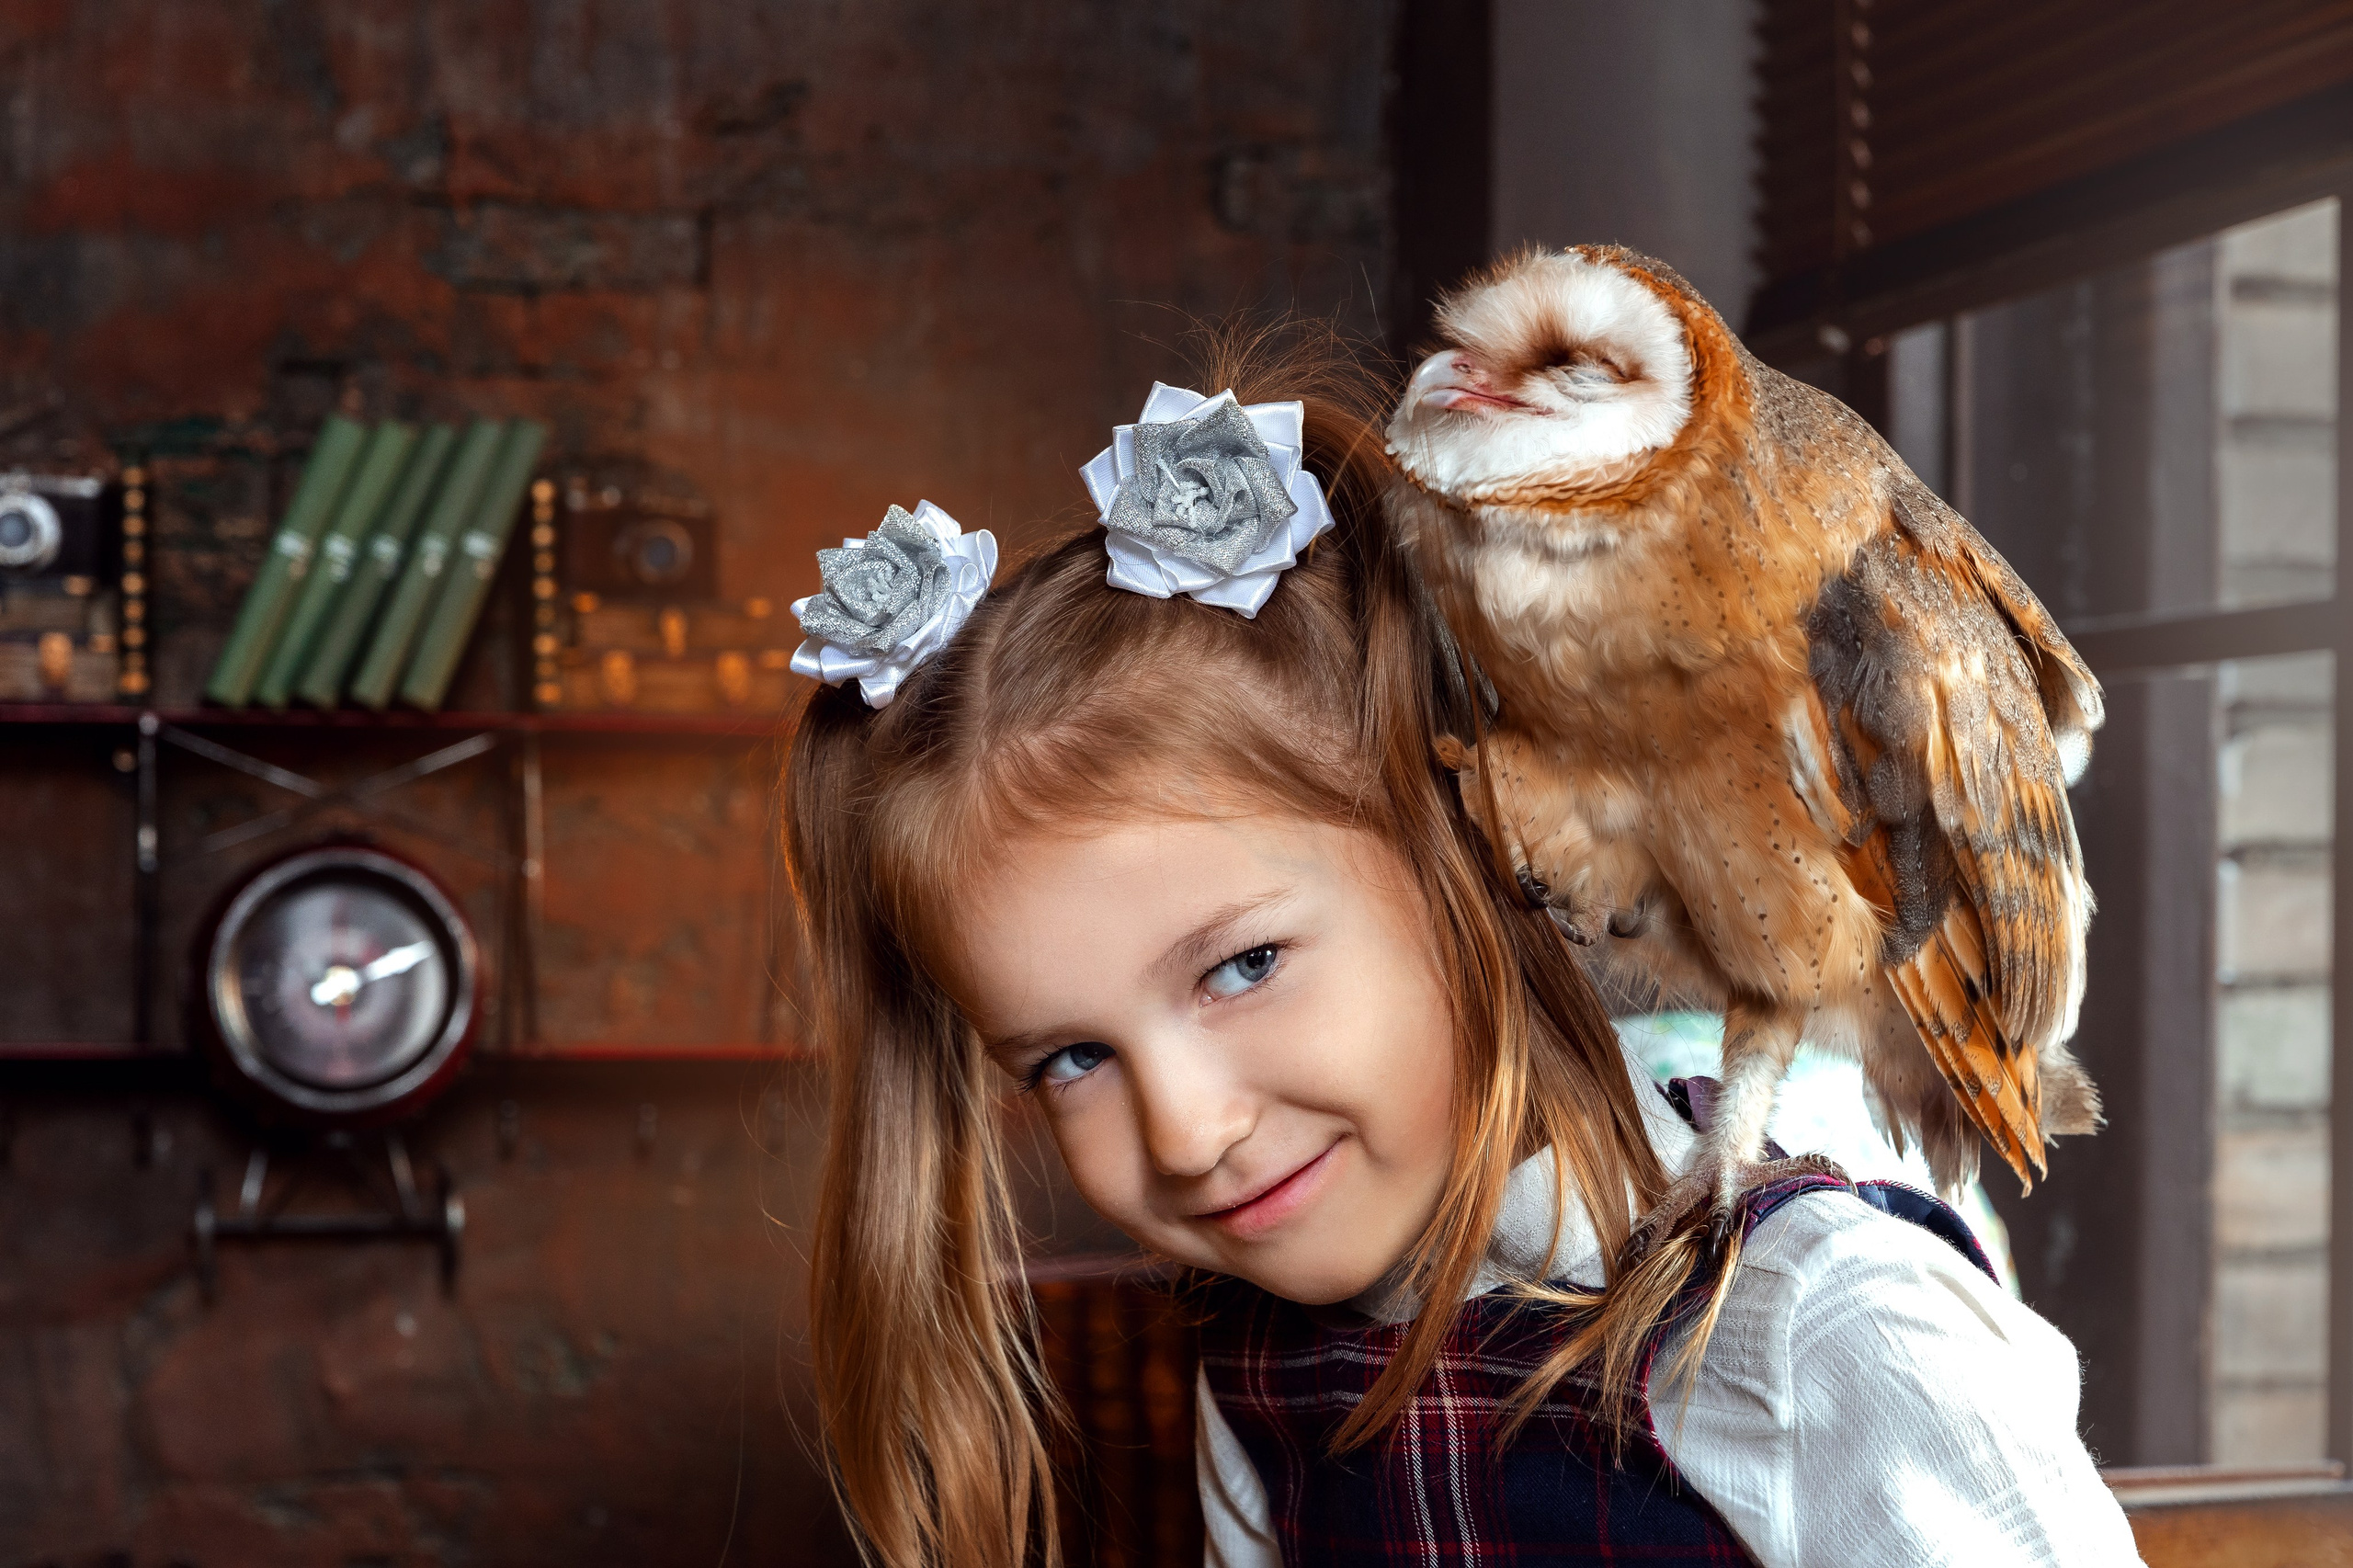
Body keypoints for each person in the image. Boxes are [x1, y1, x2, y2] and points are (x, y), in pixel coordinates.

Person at [779, 333, 2143, 1568]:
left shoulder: (1820, 1330)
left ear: (1469, 848)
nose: (1188, 1131)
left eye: (1243, 965)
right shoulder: (1259, 1371)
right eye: (1071, 1054)